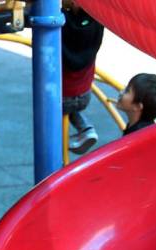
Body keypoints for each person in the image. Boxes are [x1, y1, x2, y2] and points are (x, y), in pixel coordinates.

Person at [62, 0, 104, 154]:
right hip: (84, 95)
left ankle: (56, 146)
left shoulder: (63, 22)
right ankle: (86, 129)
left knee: (51, 114)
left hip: (62, 97)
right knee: (74, 108)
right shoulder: (97, 25)